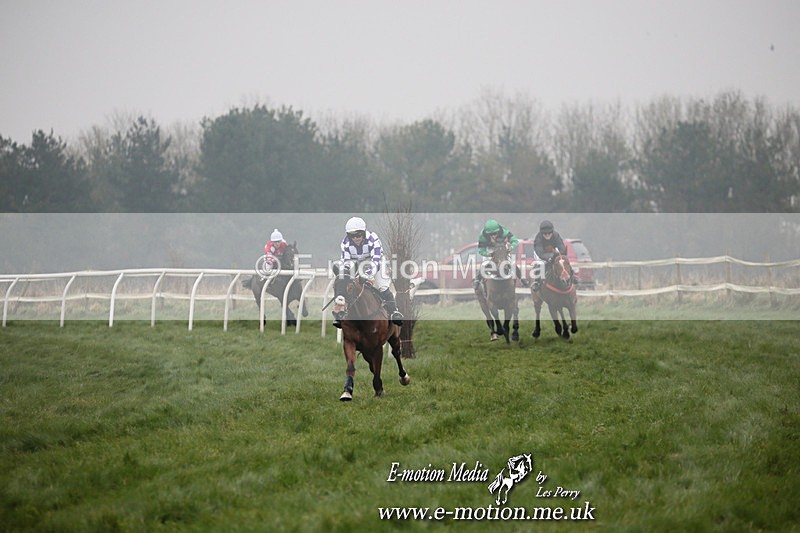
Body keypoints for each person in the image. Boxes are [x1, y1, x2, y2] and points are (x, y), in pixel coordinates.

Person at [332, 216, 403, 328]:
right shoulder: (345, 243)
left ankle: (394, 312)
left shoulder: (373, 239)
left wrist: (368, 275)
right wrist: (345, 274)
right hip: (357, 264)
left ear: (364, 232)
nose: (356, 238)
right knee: (345, 284)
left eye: (359, 234)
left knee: (382, 287)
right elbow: (346, 262)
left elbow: (376, 260)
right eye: (352, 235)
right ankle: (340, 313)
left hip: (376, 263)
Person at [473, 219, 530, 292]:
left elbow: (515, 241)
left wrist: (510, 247)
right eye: (491, 234)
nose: (493, 236)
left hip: (502, 248)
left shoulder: (504, 232)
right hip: (490, 249)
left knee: (511, 263)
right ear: (487, 234)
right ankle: (477, 280)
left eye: (495, 233)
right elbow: (481, 250)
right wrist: (488, 254)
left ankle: (523, 279)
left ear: (498, 231)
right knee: (485, 263)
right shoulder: (482, 236)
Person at [532, 220, 571, 290]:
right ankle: (537, 282)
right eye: (545, 233)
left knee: (564, 262)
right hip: (540, 254)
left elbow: (561, 248)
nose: (547, 235)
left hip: (553, 252)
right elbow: (540, 253)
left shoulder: (556, 235)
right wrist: (549, 258)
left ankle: (573, 277)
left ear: (552, 232)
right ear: (542, 233)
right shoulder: (538, 238)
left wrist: (558, 256)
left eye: (549, 233)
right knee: (540, 264)